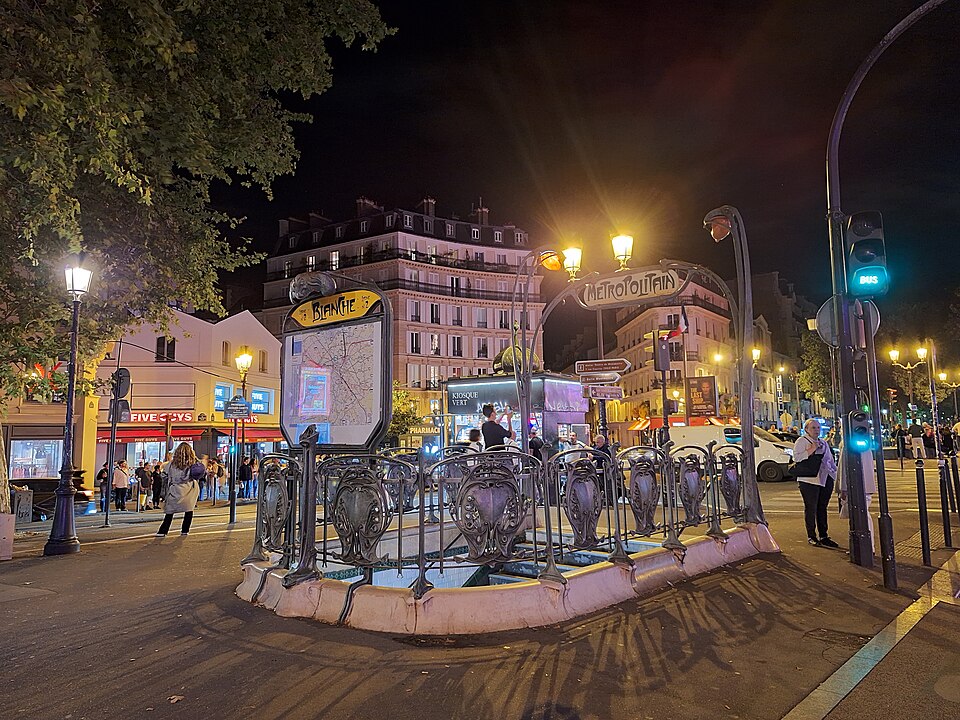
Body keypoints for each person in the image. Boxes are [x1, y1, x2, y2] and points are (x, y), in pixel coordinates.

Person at [793, 418, 839, 547]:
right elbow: (797, 458)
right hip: (808, 480)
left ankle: (824, 535)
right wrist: (811, 449)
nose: (816, 430)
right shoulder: (802, 441)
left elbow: (829, 461)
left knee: (822, 508)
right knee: (811, 508)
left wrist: (836, 477)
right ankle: (811, 536)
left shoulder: (823, 443)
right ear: (806, 429)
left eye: (818, 428)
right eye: (813, 428)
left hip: (824, 479)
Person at [156, 442, 201, 537]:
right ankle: (185, 530)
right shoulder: (193, 463)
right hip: (189, 488)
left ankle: (163, 530)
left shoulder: (171, 464)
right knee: (189, 509)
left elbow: (163, 475)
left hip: (175, 488)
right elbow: (200, 471)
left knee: (170, 511)